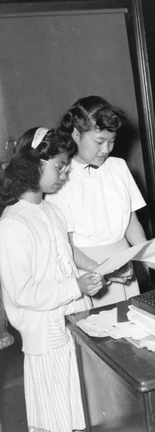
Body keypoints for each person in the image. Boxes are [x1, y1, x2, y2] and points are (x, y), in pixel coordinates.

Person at [0, 126, 105, 432]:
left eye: (66, 167)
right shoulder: (13, 223)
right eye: (59, 167)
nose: (64, 174)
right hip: (46, 337)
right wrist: (76, 286)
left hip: (73, 322)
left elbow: (66, 255)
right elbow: (22, 293)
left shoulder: (52, 210)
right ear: (33, 165)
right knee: (57, 414)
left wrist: (102, 268)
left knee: (80, 408)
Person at [47, 96, 155, 306]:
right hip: (87, 271)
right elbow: (65, 244)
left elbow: (131, 222)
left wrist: (148, 254)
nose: (106, 149)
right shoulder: (60, 179)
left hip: (123, 263)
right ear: (76, 134)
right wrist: (102, 270)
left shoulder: (119, 167)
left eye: (112, 141)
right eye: (99, 142)